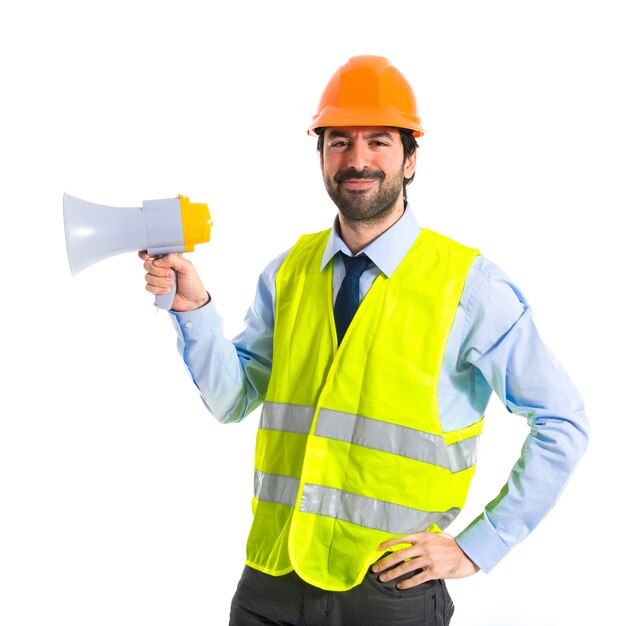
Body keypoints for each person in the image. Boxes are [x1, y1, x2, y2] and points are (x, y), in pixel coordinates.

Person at [140, 56, 589, 626]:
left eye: (378, 141)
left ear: (411, 158)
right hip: (271, 579)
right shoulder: (288, 273)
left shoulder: (470, 287)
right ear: (321, 157)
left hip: (388, 589)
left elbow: (562, 421)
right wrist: (194, 309)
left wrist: (481, 545)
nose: (357, 160)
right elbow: (232, 400)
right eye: (338, 142)